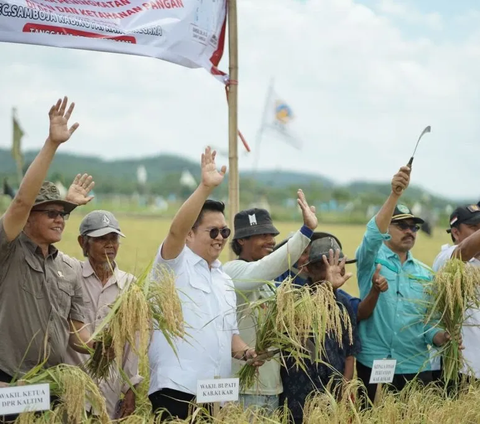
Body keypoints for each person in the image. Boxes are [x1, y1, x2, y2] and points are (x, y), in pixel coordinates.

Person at [148, 147, 262, 421]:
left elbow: (229, 334)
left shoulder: (223, 279)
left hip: (217, 395)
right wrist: (204, 188)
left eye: (225, 231)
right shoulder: (173, 265)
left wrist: (247, 352)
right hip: (178, 390)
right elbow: (174, 230)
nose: (220, 238)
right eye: (213, 231)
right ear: (190, 234)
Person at [0, 98, 96, 422]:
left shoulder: (69, 269)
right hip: (8, 385)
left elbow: (79, 337)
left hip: (52, 388)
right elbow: (22, 200)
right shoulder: (8, 251)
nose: (61, 219)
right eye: (52, 213)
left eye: (64, 214)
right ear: (28, 217)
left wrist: (105, 344)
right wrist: (52, 143)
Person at [355, 166, 452, 403]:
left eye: (414, 227)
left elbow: (429, 322)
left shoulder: (425, 274)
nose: (410, 231)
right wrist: (395, 195)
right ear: (387, 229)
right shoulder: (370, 260)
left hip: (414, 365)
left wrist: (440, 337)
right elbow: (371, 235)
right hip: (375, 362)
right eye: (402, 226)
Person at [224, 193, 318, 412]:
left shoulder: (269, 283)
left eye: (272, 234)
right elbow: (267, 267)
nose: (271, 240)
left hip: (271, 388)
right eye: (262, 235)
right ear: (241, 240)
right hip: (243, 389)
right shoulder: (231, 272)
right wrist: (305, 232)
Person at [64, 208, 143, 419]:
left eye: (114, 238)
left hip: (109, 388)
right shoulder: (71, 277)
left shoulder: (129, 285)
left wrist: (130, 388)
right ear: (83, 243)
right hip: (72, 387)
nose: (110, 245)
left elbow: (131, 342)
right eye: (101, 239)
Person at [279, 238, 361, 424]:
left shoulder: (344, 304)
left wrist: (345, 390)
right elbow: (297, 331)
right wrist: (327, 288)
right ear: (308, 269)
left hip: (333, 397)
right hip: (298, 400)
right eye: (324, 266)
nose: (331, 272)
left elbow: (350, 353)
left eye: (338, 265)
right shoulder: (294, 300)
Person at [275, 232, 389, 322]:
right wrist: (328, 287)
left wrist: (375, 289)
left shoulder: (338, 295)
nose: (307, 257)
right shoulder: (280, 285)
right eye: (303, 253)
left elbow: (358, 311)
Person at [432, 204, 480, 381]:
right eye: (474, 227)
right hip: (457, 366)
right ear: (456, 233)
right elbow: (464, 251)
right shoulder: (448, 257)